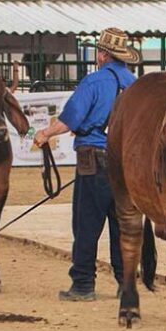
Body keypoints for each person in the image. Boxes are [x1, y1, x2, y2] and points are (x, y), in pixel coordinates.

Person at [32, 27, 138, 302]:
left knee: (87, 222)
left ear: (102, 54)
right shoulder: (134, 83)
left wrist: (45, 134)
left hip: (95, 158)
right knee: (122, 223)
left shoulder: (94, 82)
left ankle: (83, 283)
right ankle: (124, 281)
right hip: (126, 162)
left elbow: (70, 120)